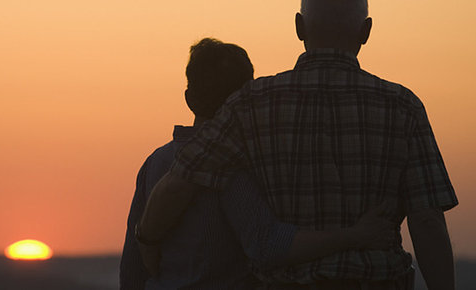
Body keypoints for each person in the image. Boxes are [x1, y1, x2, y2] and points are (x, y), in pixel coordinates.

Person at [137, 0, 458, 290]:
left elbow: (179, 183)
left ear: (299, 26)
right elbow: (427, 221)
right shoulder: (403, 107)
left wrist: (147, 241)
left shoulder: (250, 104)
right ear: (366, 31)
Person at [121, 38, 396, 289]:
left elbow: (132, 268)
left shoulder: (155, 163)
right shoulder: (233, 165)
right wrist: (356, 235)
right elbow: (268, 245)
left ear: (189, 98)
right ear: (247, 97)